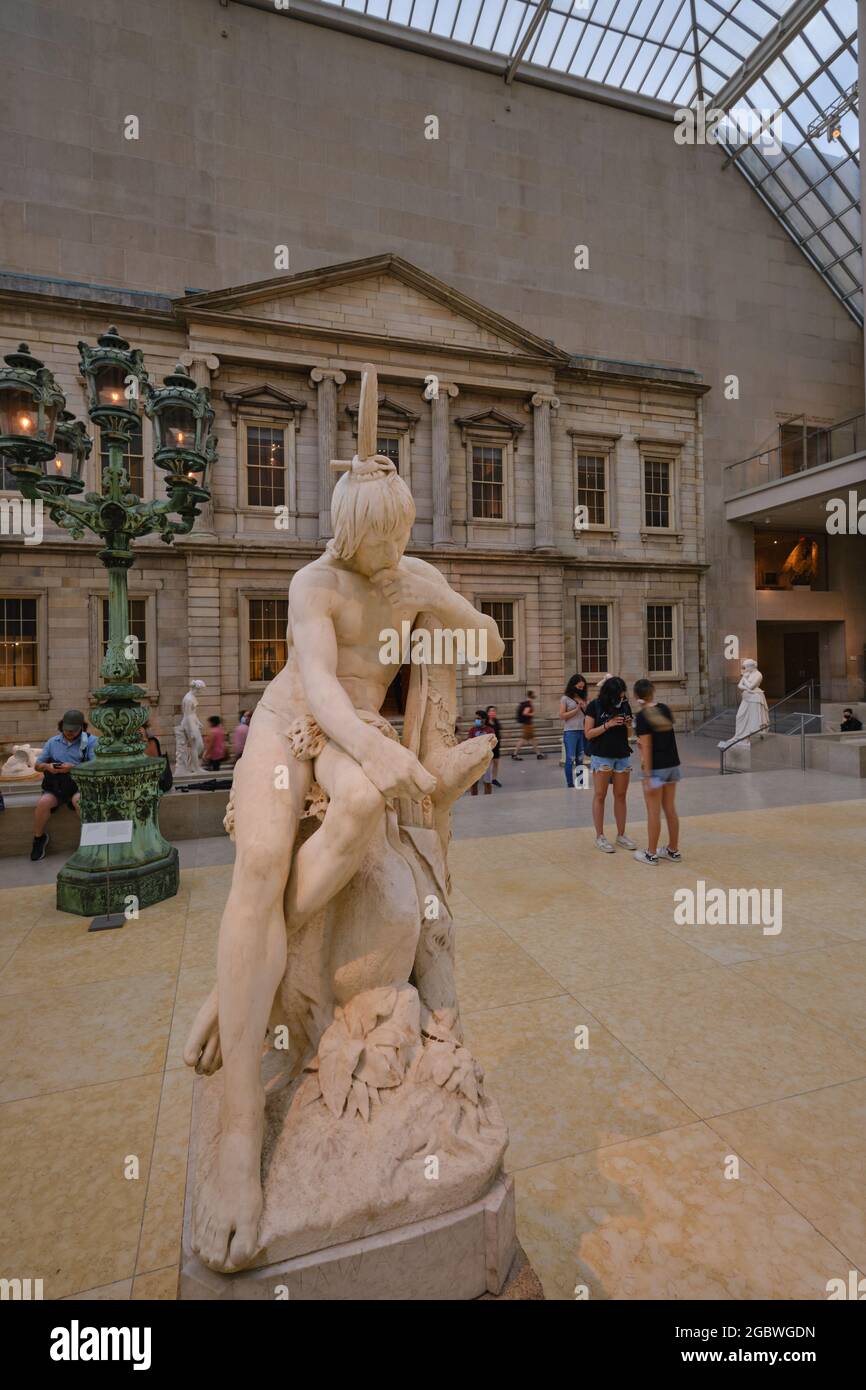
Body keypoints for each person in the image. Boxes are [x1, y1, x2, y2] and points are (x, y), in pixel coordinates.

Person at [29, 709, 97, 861]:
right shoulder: (53, 742)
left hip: (80, 786)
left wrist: (72, 767)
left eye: (73, 730)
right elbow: (37, 766)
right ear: (61, 727)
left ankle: (90, 841)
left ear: (82, 727)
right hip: (57, 786)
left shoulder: (91, 741)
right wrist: (48, 767)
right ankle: (39, 839)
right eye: (66, 729)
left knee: (78, 801)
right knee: (43, 803)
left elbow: (96, 766)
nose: (69, 733)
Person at [632, 679, 681, 866]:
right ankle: (673, 850)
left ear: (637, 696)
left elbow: (647, 746)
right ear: (653, 692)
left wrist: (648, 774)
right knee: (670, 808)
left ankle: (651, 853)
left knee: (653, 811)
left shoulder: (642, 717)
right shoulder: (664, 709)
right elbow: (664, 736)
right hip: (672, 764)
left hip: (656, 767)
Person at [583, 675, 635, 853]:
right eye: (618, 695)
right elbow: (588, 733)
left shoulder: (625, 705)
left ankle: (621, 835)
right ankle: (600, 836)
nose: (621, 698)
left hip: (622, 754)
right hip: (601, 755)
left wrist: (628, 724)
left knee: (621, 795)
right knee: (600, 795)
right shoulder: (594, 706)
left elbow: (629, 735)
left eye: (622, 695)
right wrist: (608, 724)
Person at [559, 673, 588, 787]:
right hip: (570, 731)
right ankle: (570, 783)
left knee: (581, 758)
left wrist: (585, 707)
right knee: (570, 759)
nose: (581, 689)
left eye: (583, 687)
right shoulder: (565, 698)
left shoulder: (584, 698)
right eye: (579, 687)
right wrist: (576, 709)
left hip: (582, 730)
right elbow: (562, 716)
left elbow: (588, 714)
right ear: (573, 685)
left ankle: (581, 782)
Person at [512, 689, 545, 760]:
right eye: (534, 694)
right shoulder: (528, 704)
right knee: (523, 740)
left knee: (532, 740)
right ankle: (515, 754)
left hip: (528, 724)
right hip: (527, 725)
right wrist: (532, 713)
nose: (535, 695)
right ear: (531, 695)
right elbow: (525, 713)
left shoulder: (527, 703)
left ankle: (538, 754)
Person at [468, 711, 495, 795]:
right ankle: (474, 799)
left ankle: (487, 799)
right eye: (476, 718)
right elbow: (469, 743)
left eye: (478, 718)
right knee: (474, 782)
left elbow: (492, 743)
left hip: (486, 759)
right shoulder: (472, 730)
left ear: (484, 719)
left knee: (487, 782)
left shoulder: (490, 730)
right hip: (475, 760)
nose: (476, 720)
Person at [485, 705, 502, 786]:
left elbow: (499, 732)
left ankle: (494, 779)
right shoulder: (485, 723)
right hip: (489, 745)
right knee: (488, 763)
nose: (493, 712)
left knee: (496, 762)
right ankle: (486, 779)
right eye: (491, 711)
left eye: (494, 711)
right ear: (487, 712)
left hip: (496, 745)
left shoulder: (496, 721)